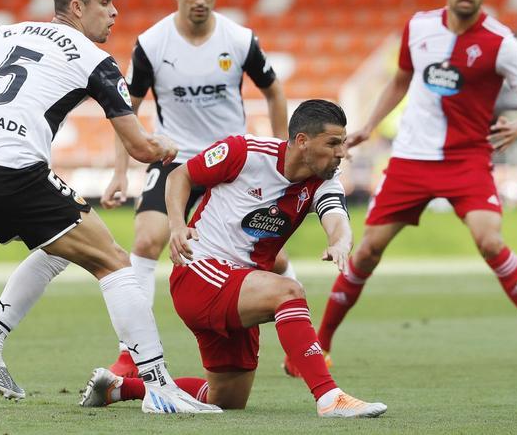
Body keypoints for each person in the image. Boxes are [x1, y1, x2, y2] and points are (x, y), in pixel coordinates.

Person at [0, 0, 220, 413]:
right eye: (106, 4)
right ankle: (159, 386)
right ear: (78, 6)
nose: (114, 13)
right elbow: (140, 148)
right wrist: (164, 145)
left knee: (54, 251)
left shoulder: (5, 34)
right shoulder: (95, 61)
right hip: (12, 173)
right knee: (115, 263)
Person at [308, 0, 517, 374]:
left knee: (490, 240)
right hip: (411, 159)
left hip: (466, 160)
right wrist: (371, 125)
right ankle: (320, 345)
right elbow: (400, 79)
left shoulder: (501, 42)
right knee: (366, 252)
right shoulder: (418, 27)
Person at [79, 100, 386, 418]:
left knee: (225, 398)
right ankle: (329, 397)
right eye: (333, 143)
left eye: (343, 143)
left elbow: (337, 220)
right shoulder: (245, 152)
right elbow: (179, 177)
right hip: (199, 273)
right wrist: (177, 227)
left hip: (241, 287)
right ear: (302, 141)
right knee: (288, 291)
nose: (341, 153)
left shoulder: (324, 182)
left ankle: (119, 387)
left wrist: (339, 242)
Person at [100, 0, 291, 378]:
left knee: (272, 260)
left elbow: (275, 92)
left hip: (232, 165)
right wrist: (120, 172)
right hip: (177, 159)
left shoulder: (239, 39)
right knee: (148, 239)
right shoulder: (152, 43)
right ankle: (131, 354)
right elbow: (124, 110)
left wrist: (279, 156)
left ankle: (296, 338)